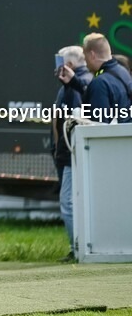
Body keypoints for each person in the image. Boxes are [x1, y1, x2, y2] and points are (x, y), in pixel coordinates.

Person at [51, 45, 90, 263]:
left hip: (71, 154)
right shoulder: (74, 84)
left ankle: (77, 248)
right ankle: (78, 248)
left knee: (68, 202)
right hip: (71, 152)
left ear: (69, 65)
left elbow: (70, 122)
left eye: (59, 63)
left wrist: (60, 150)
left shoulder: (73, 88)